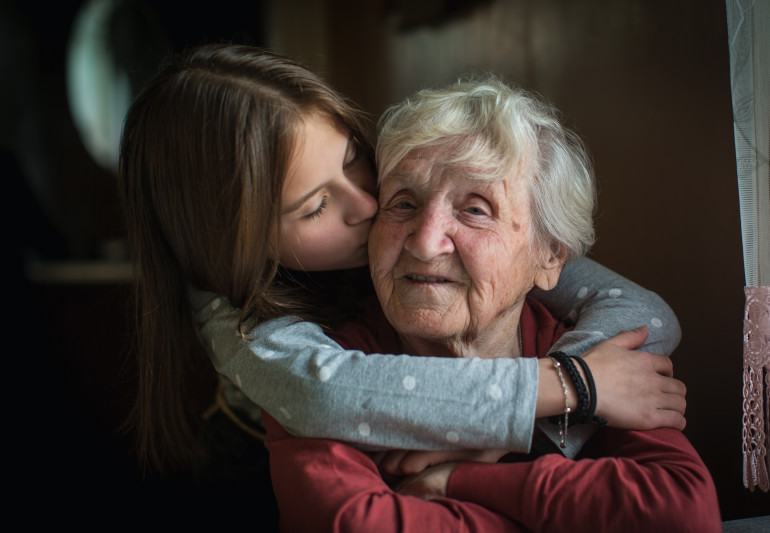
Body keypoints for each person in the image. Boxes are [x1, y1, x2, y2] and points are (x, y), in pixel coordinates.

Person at [118, 43, 684, 500]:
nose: (369, 206)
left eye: (353, 162)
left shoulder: (492, 242)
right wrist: (572, 386)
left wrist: (540, 429)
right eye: (315, 206)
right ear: (236, 245)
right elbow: (325, 397)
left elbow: (643, 314)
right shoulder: (238, 318)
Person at [260, 75, 722, 532]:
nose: (424, 242)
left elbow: (681, 513)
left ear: (549, 257)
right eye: (403, 203)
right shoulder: (327, 370)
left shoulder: (595, 357)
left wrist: (459, 481)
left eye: (475, 209)